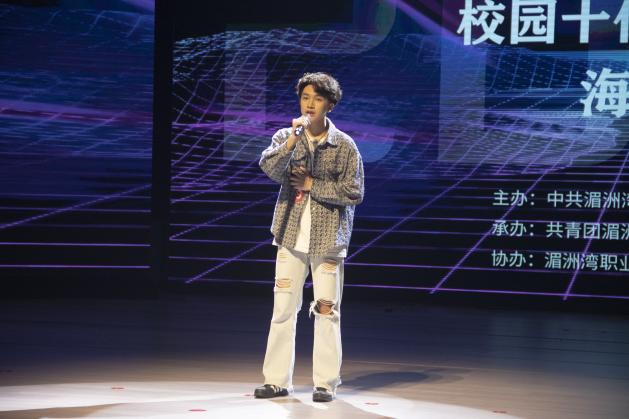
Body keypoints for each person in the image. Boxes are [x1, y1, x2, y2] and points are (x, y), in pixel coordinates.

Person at [255, 72, 364, 402]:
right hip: (290, 235)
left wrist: (312, 185)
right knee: (283, 309)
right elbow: (269, 168)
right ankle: (276, 381)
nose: (310, 104)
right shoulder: (287, 136)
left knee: (326, 311)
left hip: (328, 240)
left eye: (317, 98)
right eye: (305, 97)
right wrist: (291, 140)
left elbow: (354, 192)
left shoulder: (344, 145)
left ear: (330, 104)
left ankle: (325, 383)